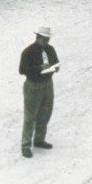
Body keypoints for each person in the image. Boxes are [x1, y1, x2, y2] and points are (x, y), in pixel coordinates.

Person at [18, 26, 59, 158]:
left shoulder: (50, 49)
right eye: (44, 39)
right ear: (38, 38)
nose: (46, 41)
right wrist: (38, 68)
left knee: (45, 113)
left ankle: (39, 140)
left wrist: (55, 67)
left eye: (48, 39)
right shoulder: (28, 52)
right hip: (33, 86)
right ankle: (25, 145)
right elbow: (22, 70)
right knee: (30, 116)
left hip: (48, 84)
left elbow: (56, 62)